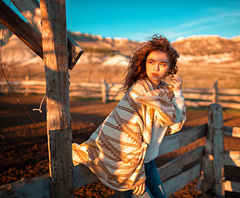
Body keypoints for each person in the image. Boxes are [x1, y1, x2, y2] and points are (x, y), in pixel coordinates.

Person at [72, 34, 186, 198]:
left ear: (170, 68)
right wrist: (136, 175)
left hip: (149, 163)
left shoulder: (164, 92)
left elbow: (176, 122)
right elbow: (128, 137)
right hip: (130, 168)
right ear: (144, 63)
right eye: (151, 62)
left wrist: (177, 92)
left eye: (162, 64)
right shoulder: (137, 92)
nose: (156, 68)